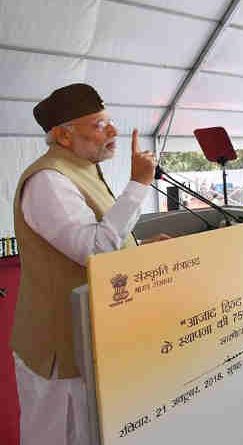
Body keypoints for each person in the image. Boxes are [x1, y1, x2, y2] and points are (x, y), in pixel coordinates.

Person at [12, 83, 167, 445]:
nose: (112, 132)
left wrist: (140, 250)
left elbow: (106, 233)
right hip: (60, 347)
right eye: (99, 125)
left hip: (93, 333)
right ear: (64, 136)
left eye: (109, 121)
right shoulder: (48, 180)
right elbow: (94, 249)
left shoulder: (81, 167)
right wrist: (139, 183)